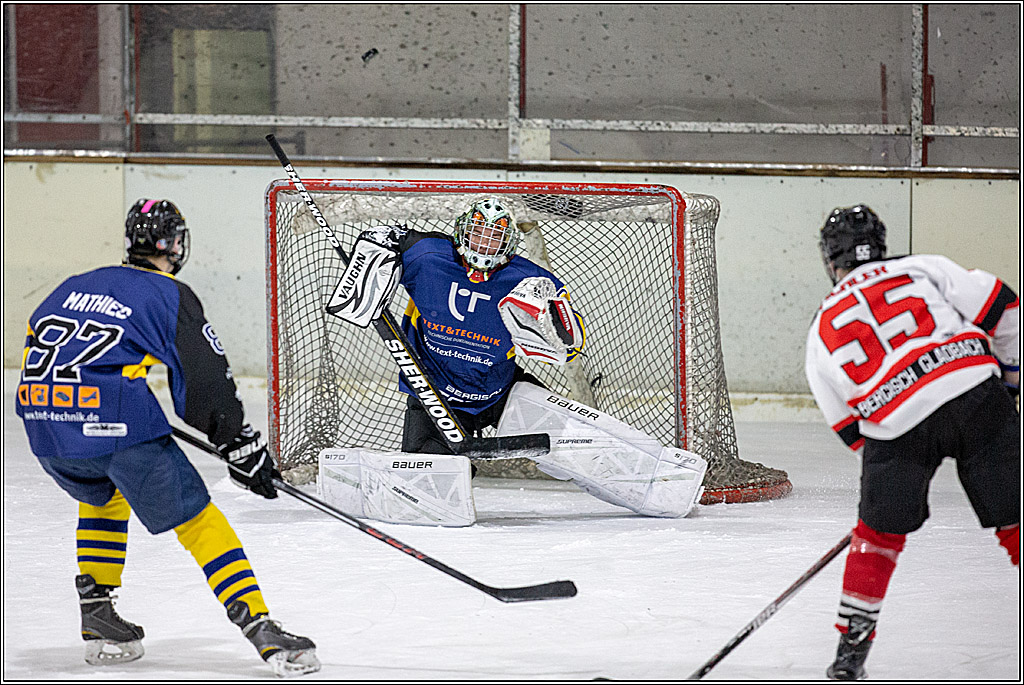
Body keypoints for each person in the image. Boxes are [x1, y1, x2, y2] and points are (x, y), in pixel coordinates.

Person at [15, 199, 320, 677]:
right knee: (197, 517)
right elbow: (203, 380)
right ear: (176, 245)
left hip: (43, 422)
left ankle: (97, 614)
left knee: (104, 492)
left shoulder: (75, 285)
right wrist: (237, 442)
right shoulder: (167, 293)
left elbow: (39, 338)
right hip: (110, 421)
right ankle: (259, 627)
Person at [804, 205, 1019, 680]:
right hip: (971, 389)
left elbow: (849, 428)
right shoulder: (920, 265)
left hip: (893, 423)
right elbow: (1004, 306)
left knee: (877, 539)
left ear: (829, 260)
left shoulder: (821, 326)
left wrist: (888, 493)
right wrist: (1008, 385)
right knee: (1017, 520)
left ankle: (849, 659)